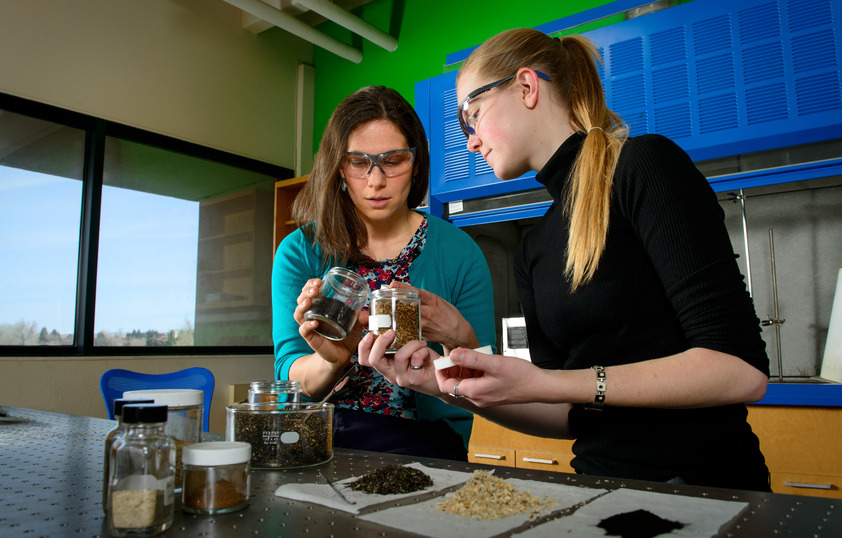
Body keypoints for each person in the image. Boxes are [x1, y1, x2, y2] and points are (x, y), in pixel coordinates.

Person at [359, 29, 772, 491]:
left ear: (526, 87)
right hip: (599, 492)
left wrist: (550, 383)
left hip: (706, 489)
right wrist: (439, 384)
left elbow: (740, 370)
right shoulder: (536, 247)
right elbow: (567, 415)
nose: (471, 142)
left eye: (471, 116)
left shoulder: (644, 167)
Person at [272, 85, 496, 461]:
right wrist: (332, 359)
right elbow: (290, 373)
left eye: (393, 160)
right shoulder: (300, 251)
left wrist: (461, 340)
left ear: (417, 162)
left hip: (430, 449)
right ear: (339, 167)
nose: (376, 181)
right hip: (324, 444)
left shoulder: (460, 254)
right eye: (359, 162)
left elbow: (485, 382)